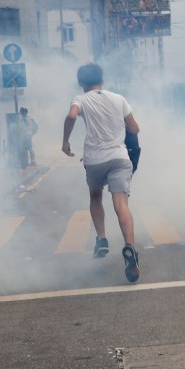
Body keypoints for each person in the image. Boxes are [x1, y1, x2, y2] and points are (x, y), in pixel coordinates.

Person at [62, 63, 141, 282]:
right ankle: (129, 247)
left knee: (95, 197)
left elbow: (71, 116)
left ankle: (102, 239)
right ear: (102, 80)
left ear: (80, 82)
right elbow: (134, 128)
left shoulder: (80, 99)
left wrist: (65, 142)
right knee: (121, 204)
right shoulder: (118, 98)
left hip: (95, 160)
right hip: (119, 157)